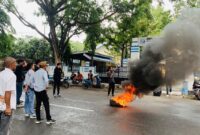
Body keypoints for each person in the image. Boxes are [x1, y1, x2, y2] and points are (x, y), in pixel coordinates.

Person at [0, 57, 17, 135]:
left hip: (1, 104)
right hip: (6, 107)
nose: (16, 64)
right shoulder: (11, 75)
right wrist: (8, 107)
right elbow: (8, 92)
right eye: (15, 63)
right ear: (11, 64)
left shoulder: (1, 73)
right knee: (4, 130)